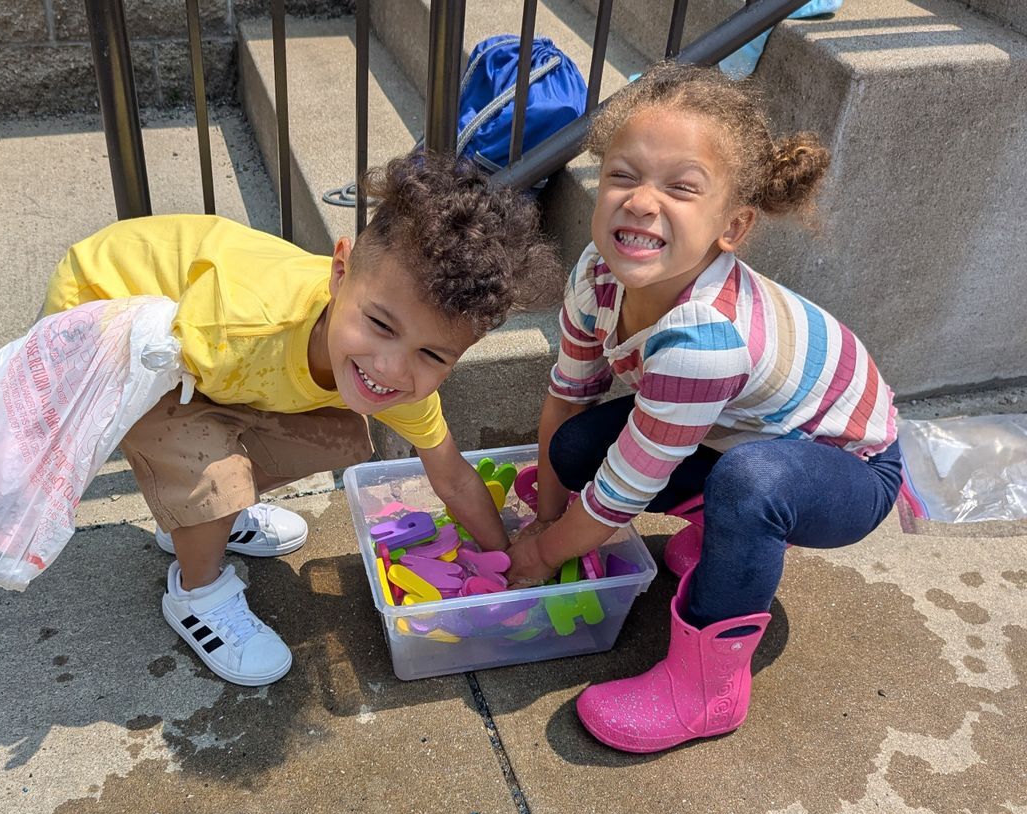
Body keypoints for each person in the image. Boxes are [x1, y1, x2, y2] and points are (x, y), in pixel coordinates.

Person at [44, 153, 560, 687]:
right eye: (381, 324)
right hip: (117, 325)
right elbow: (167, 423)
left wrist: (510, 557)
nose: (391, 367)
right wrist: (198, 496)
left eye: (433, 355)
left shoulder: (395, 379)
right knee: (207, 471)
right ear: (341, 272)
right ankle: (195, 591)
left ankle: (209, 522)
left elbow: (450, 476)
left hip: (213, 356)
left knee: (338, 434)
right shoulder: (243, 326)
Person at [505, 63, 903, 753]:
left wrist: (543, 552)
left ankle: (707, 691)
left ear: (732, 226)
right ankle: (718, 537)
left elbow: (622, 493)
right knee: (573, 455)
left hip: (850, 469)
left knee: (749, 488)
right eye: (624, 176)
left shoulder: (705, 341)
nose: (641, 201)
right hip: (734, 434)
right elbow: (567, 398)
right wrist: (547, 510)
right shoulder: (595, 274)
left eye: (681, 188)